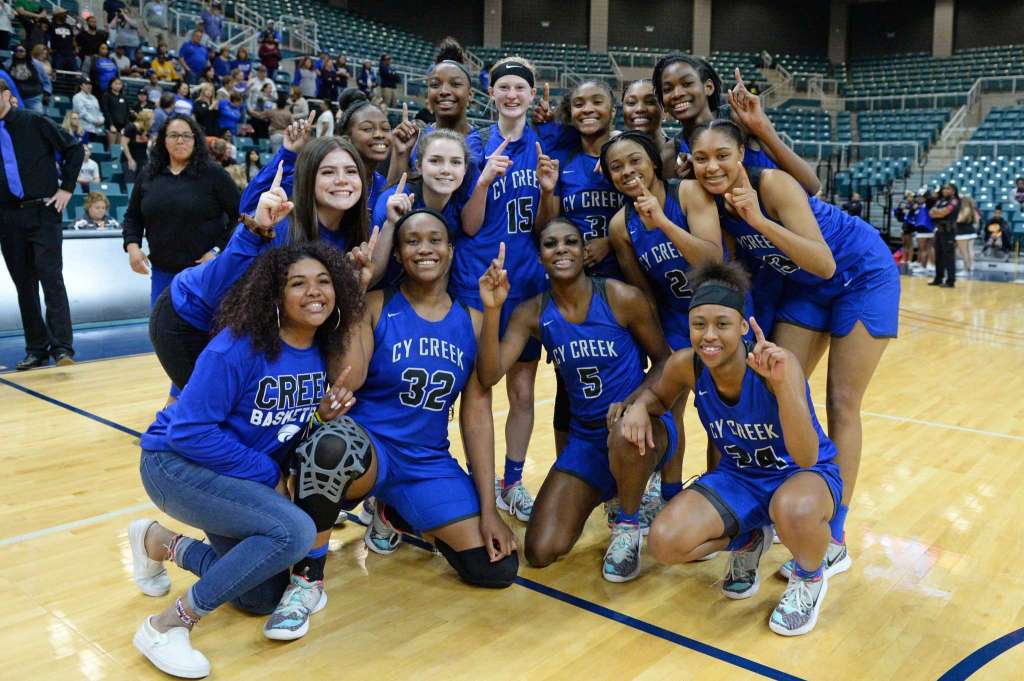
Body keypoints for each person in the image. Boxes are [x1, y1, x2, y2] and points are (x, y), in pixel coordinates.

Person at [129, 241, 364, 677]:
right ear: (274, 296)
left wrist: (318, 417)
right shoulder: (236, 348)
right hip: (174, 465)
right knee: (293, 532)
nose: (314, 292)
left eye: (324, 281)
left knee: (260, 596)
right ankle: (167, 626)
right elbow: (189, 431)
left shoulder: (320, 351)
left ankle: (160, 543)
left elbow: (276, 427)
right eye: (298, 284)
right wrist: (266, 473)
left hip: (228, 474)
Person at [688, 118, 900, 578]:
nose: (712, 166)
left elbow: (824, 262)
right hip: (802, 285)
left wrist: (758, 220)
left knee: (841, 401)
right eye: (701, 158)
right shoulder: (708, 203)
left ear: (742, 154)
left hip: (859, 275)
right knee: (775, 390)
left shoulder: (773, 185)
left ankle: (835, 533)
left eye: (722, 155)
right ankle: (760, 519)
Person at [295, 207, 519, 596]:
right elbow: (353, 376)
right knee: (332, 447)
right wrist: (355, 294)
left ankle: (396, 511)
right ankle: (307, 571)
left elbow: (478, 416)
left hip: (426, 461)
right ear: (398, 255)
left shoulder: (473, 320)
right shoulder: (377, 304)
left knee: (495, 568)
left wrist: (489, 508)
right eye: (411, 241)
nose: (424, 249)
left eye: (434, 240)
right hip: (367, 450)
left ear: (450, 249)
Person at [625, 261, 842, 636]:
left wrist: (782, 387)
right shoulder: (685, 366)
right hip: (739, 478)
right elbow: (656, 397)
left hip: (803, 476)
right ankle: (750, 539)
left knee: (790, 507)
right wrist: (639, 409)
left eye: (722, 324)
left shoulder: (778, 363)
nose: (709, 335)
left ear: (743, 326)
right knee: (664, 542)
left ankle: (809, 578)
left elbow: (806, 457)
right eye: (699, 324)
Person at [476, 217, 676, 581]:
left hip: (643, 428)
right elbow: (489, 375)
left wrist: (637, 404)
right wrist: (492, 310)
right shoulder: (531, 313)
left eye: (570, 242)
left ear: (585, 253)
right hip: (588, 439)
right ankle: (612, 487)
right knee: (540, 550)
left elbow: (666, 360)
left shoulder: (620, 297)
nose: (561, 249)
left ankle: (628, 524)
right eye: (551, 244)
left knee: (623, 435)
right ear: (540, 257)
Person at [151, 130, 369, 393]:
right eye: (328, 172)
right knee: (211, 408)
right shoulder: (282, 227)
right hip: (190, 317)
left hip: (231, 323)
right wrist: (254, 231)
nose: (342, 180)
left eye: (350, 171)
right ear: (308, 178)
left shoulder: (352, 235)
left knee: (189, 408)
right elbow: (217, 290)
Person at [0, 79, 83, 370]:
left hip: (43, 211)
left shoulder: (33, 121)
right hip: (7, 217)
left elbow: (75, 149)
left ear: (6, 95)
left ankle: (62, 348)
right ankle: (36, 349)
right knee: (24, 285)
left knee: (51, 279)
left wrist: (67, 188)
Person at [652, 54, 820, 195]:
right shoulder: (671, 154)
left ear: (708, 87)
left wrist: (763, 129)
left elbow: (811, 186)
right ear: (663, 103)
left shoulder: (739, 118)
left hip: (802, 223)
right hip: (746, 233)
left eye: (687, 84)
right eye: (667, 89)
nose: (677, 93)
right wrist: (690, 185)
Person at [123, 114, 240, 309]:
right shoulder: (148, 174)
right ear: (163, 141)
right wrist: (132, 247)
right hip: (162, 274)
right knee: (162, 336)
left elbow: (240, 216)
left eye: (187, 135)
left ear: (195, 140)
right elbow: (133, 216)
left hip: (205, 274)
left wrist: (217, 250)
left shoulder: (214, 174)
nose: (180, 140)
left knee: (206, 336)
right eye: (174, 135)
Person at [369, 129, 470, 294]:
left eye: (455, 162)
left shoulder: (462, 207)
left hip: (425, 298)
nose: (446, 169)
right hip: (381, 297)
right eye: (435, 161)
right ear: (419, 166)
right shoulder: (393, 201)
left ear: (465, 169)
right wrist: (390, 224)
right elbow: (371, 275)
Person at [621, 79, 673, 167]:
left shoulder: (681, 155)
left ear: (665, 110)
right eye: (631, 103)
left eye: (650, 102)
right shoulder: (611, 156)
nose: (640, 109)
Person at [928, 183, 959, 288]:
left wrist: (938, 212)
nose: (945, 190)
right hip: (939, 231)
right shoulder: (940, 201)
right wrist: (938, 212)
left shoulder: (954, 201)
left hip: (948, 231)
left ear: (953, 191)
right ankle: (938, 278)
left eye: (948, 188)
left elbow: (945, 212)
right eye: (944, 188)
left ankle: (950, 281)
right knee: (938, 256)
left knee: (948, 257)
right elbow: (931, 213)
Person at [8, 42, 50, 112]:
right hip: (15, 99)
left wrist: (47, 93)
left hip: (34, 98)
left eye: (21, 51)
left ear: (26, 52)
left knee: (37, 119)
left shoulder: (37, 64)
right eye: (16, 51)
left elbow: (46, 81)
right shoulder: (8, 64)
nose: (18, 53)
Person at [120, 108, 153, 184]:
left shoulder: (147, 130)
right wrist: (130, 160)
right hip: (130, 159)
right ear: (146, 120)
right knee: (131, 184)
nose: (154, 122)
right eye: (152, 119)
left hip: (142, 160)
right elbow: (124, 144)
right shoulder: (131, 127)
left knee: (141, 184)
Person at [100, 76, 130, 147]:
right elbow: (105, 111)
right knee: (111, 147)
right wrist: (111, 125)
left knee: (118, 148)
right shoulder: (106, 96)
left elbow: (127, 112)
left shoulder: (124, 97)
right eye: (116, 84)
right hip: (111, 126)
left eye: (120, 84)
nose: (118, 86)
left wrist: (126, 126)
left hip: (122, 126)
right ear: (111, 85)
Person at [954, 195, 978, 275]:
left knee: (964, 252)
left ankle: (966, 269)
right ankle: (970, 267)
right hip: (970, 231)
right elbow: (977, 222)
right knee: (969, 250)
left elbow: (959, 220)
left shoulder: (965, 209)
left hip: (963, 233)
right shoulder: (973, 209)